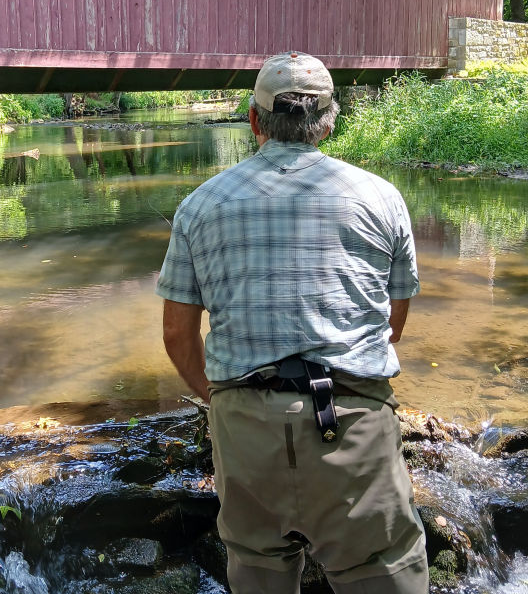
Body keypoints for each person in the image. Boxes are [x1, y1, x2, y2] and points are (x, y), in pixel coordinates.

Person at [155, 52, 428, 594]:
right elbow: (391, 325)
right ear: (329, 121)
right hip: (352, 422)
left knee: (257, 568)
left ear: (254, 121)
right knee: (383, 571)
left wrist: (219, 399)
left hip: (244, 422)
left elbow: (175, 334)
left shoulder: (198, 207)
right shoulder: (381, 198)